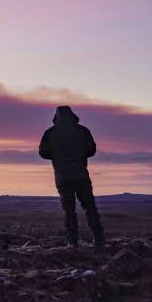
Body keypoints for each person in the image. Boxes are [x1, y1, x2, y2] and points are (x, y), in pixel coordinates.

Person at [39, 106, 105, 248]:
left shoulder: (51, 133)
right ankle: (99, 238)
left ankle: (73, 241)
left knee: (69, 210)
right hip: (81, 174)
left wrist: (57, 154)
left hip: (62, 176)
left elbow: (43, 152)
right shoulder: (82, 130)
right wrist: (79, 154)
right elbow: (91, 150)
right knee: (89, 206)